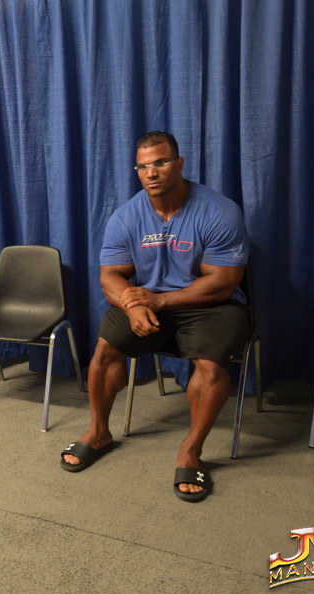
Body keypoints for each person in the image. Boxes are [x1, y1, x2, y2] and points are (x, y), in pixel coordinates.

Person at [60, 131, 249, 502]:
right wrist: (132, 306)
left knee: (210, 366)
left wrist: (158, 301)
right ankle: (98, 431)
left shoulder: (219, 211)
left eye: (160, 163)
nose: (151, 173)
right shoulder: (126, 216)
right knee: (105, 349)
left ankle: (191, 451)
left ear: (179, 164)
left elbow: (223, 283)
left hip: (211, 307)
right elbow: (110, 277)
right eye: (143, 166)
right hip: (146, 303)